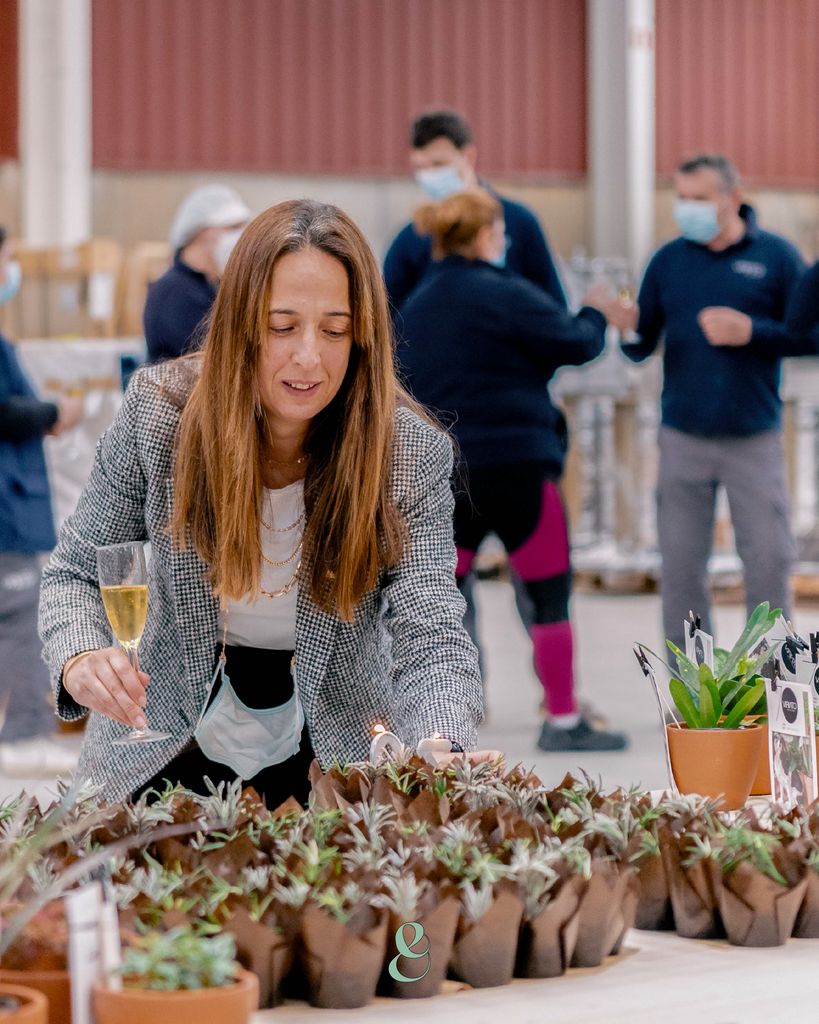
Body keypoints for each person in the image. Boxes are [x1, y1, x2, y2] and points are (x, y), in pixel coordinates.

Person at [39, 199, 487, 806]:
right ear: (241, 324)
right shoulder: (160, 415)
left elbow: (430, 627)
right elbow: (74, 572)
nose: (308, 356)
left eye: (334, 330)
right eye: (282, 327)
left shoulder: (404, 453)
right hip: (164, 735)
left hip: (333, 747)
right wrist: (81, 655)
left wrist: (441, 739)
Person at [397, 190, 628, 753]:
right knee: (549, 596)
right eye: (500, 233)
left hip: (446, 478)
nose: (504, 242)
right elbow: (575, 342)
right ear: (483, 236)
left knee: (435, 602)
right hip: (521, 471)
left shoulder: (417, 306)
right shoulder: (509, 294)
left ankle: (439, 727)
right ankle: (563, 718)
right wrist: (598, 310)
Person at [603, 154, 814, 652]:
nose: (687, 208)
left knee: (768, 561)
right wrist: (625, 325)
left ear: (732, 198)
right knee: (680, 569)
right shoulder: (668, 260)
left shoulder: (778, 259)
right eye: (681, 198)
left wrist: (753, 332)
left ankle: (772, 685)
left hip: (754, 437)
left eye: (699, 198)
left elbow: (809, 335)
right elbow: (641, 342)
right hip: (682, 438)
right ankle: (693, 693)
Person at [0, 227, 83, 777]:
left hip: (14, 499)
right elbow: (6, 411)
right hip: (7, 507)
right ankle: (26, 731)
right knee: (20, 615)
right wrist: (54, 414)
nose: (12, 270)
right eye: (7, 258)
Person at [384, 110, 566, 313]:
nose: (429, 176)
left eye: (438, 164)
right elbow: (388, 320)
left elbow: (555, 307)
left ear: (468, 156)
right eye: (420, 167)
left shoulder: (519, 221)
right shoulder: (414, 235)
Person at [144, 185, 251, 363]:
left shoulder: (214, 285)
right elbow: (219, 357)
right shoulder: (174, 292)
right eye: (233, 228)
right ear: (203, 232)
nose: (240, 237)